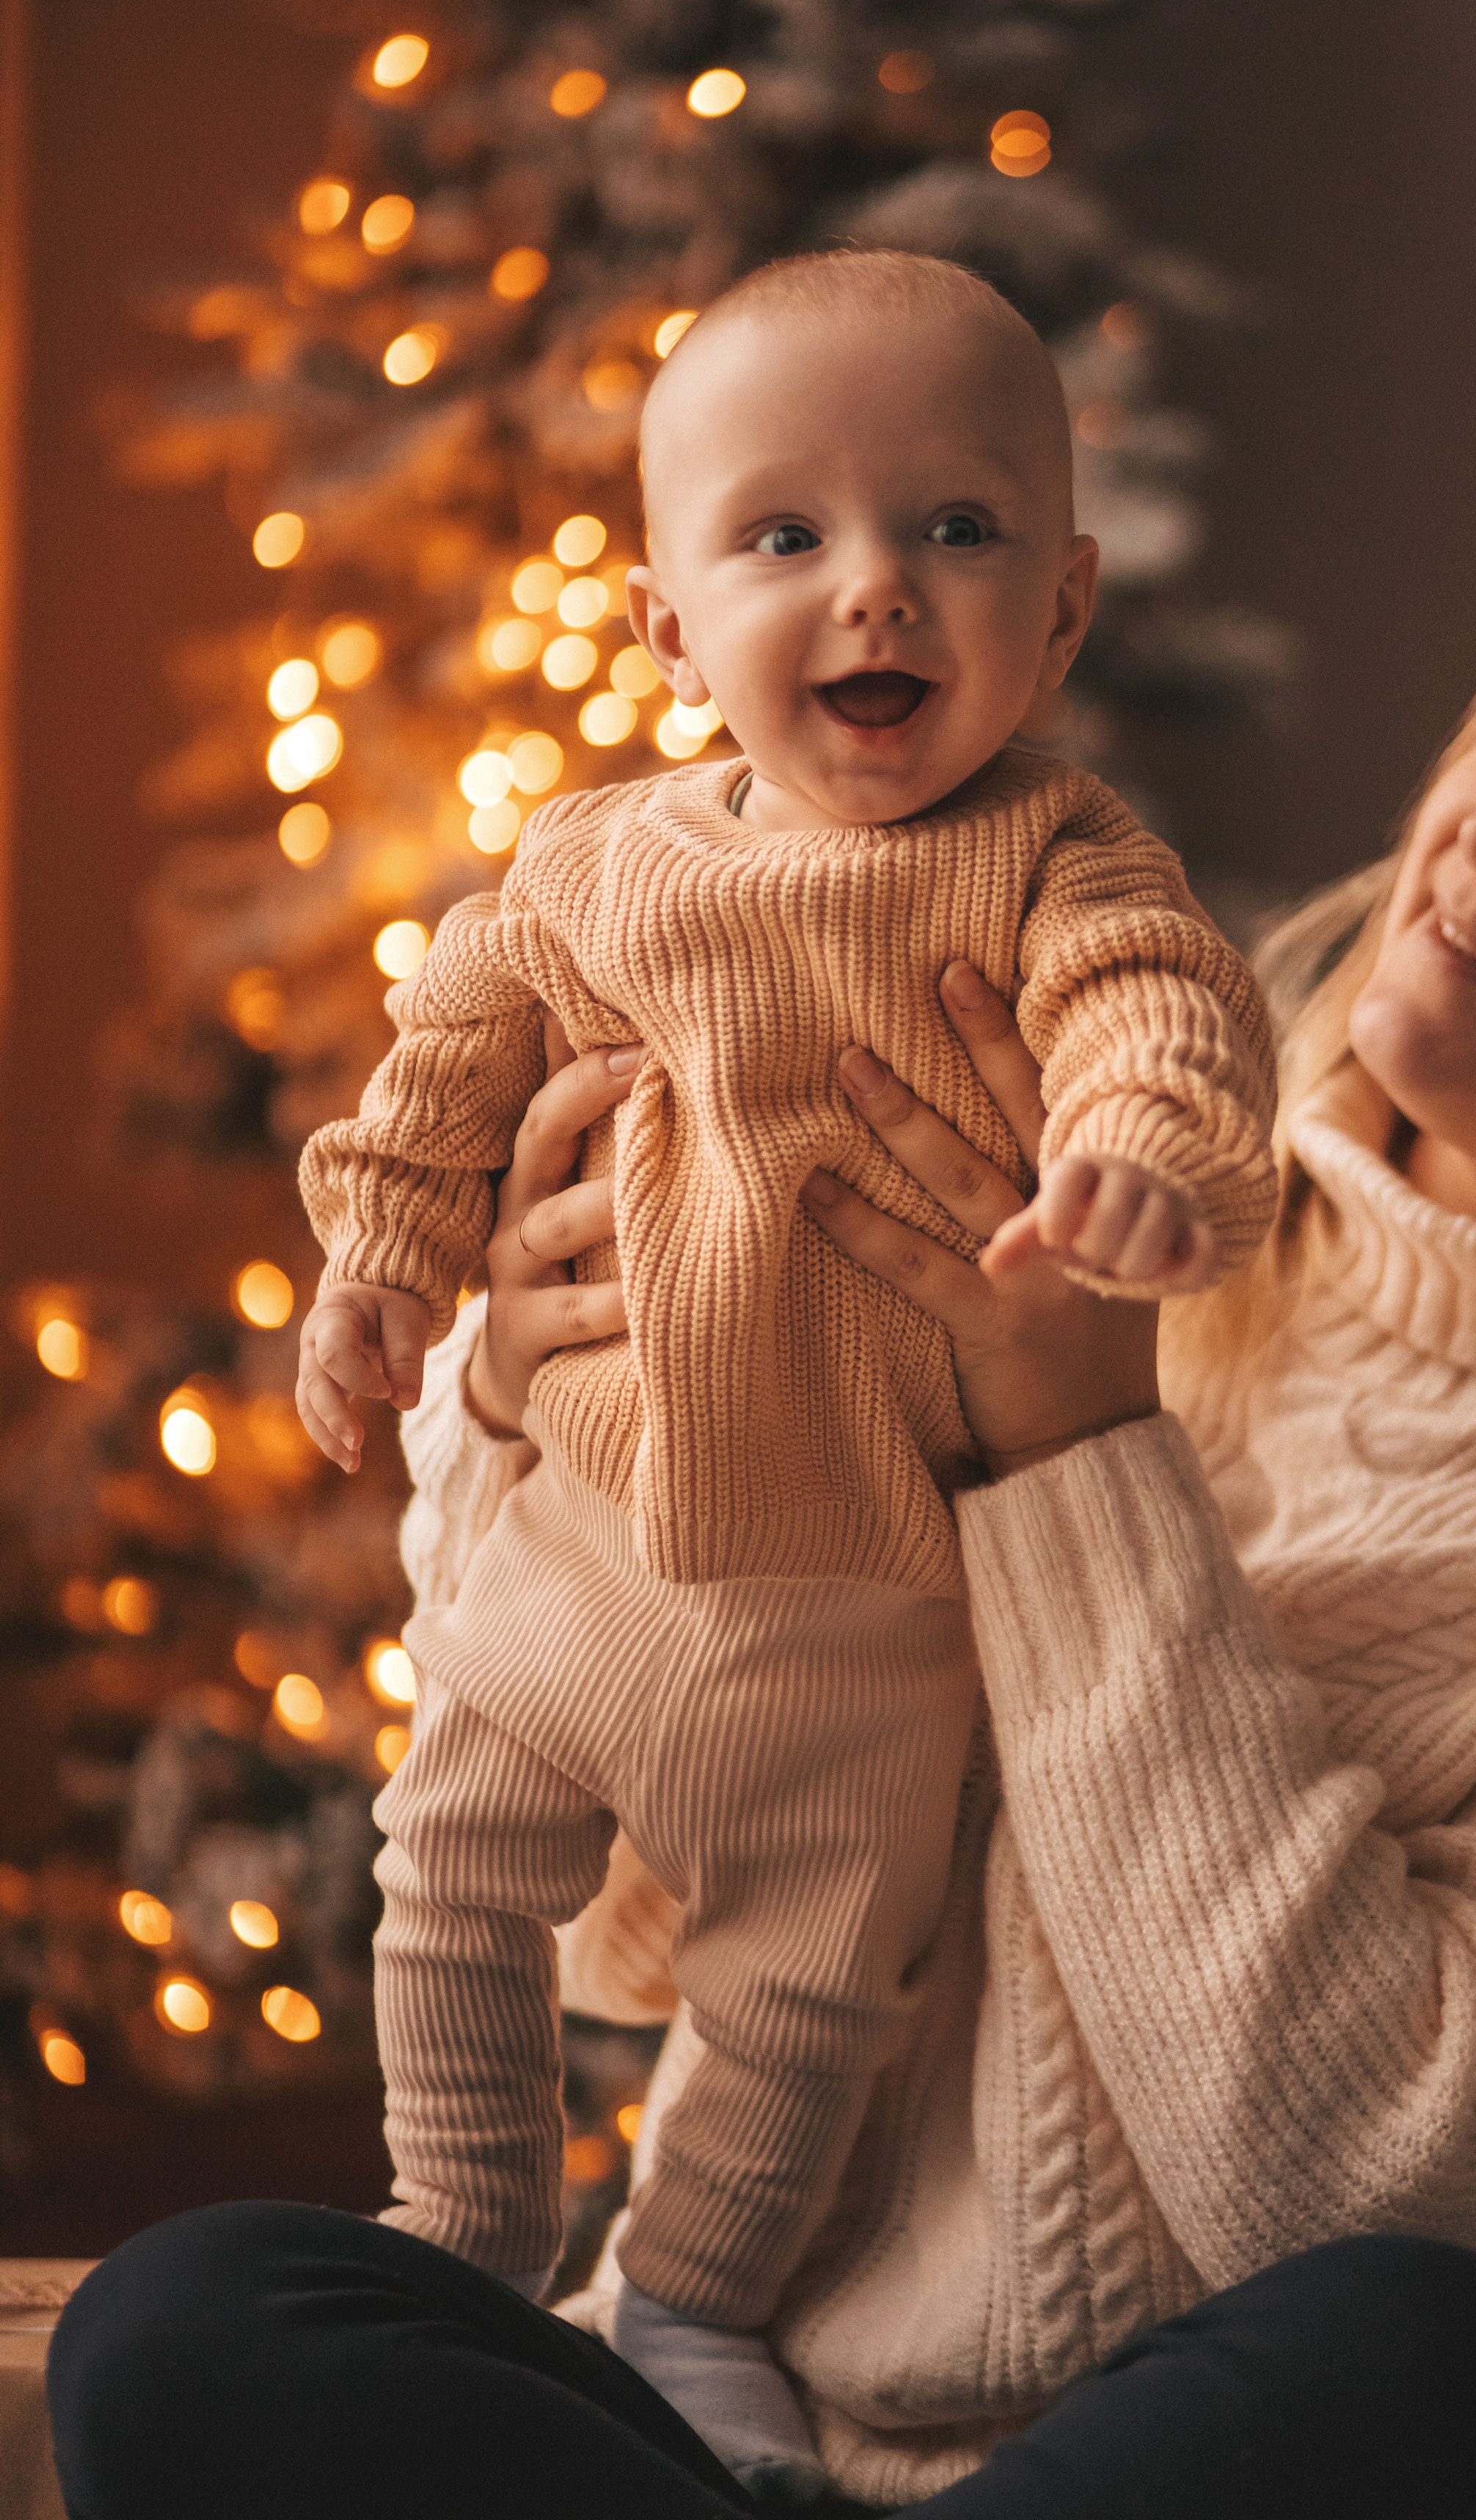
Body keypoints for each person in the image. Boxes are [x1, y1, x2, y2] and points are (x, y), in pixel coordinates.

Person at [48, 513, 1476, 2520]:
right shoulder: (1056, 1190)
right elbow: (637, 1946)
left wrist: (1083, 1460)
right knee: (200, 2316)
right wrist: (512, 1406)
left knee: (1432, 2374)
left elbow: (1358, 2188)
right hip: (771, 2448)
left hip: (1259, 2468)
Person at [291, 250, 1276, 2496]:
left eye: (956, 531)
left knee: (812, 2003)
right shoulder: (588, 867)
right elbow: (444, 1077)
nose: (879, 596)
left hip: (862, 1615)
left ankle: (692, 2297)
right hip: (582, 1558)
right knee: (445, 1882)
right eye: (784, 538)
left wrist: (1135, 1156)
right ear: (664, 633)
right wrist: (377, 1270)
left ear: (1068, 609)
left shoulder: (1057, 858)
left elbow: (1162, 1011)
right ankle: (460, 2223)